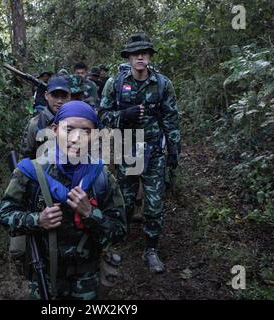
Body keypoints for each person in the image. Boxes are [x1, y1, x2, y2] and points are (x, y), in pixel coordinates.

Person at [0, 101, 127, 300]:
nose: (76, 138)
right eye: (69, 129)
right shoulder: (31, 172)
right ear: (55, 130)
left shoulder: (102, 177)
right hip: (42, 275)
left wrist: (91, 214)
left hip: (86, 278)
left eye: (86, 131)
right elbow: (4, 213)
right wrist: (37, 220)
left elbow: (119, 231)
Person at [98, 32, 181, 274]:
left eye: (144, 53)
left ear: (150, 57)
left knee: (154, 204)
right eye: (136, 53)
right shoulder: (114, 83)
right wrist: (123, 115)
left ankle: (151, 249)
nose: (140, 57)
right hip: (127, 150)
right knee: (124, 199)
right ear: (129, 57)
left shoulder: (163, 84)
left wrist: (174, 150)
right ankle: (118, 243)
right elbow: (102, 115)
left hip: (154, 151)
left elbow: (171, 119)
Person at [20, 76, 71, 160]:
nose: (59, 101)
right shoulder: (36, 123)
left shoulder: (76, 121)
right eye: (55, 96)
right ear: (46, 95)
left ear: (69, 97)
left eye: (63, 96)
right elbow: (25, 156)